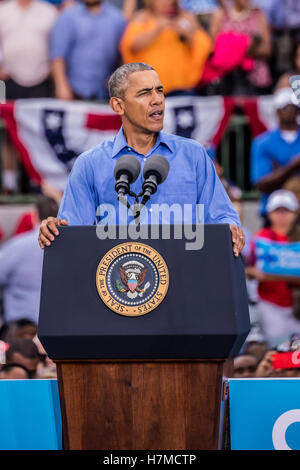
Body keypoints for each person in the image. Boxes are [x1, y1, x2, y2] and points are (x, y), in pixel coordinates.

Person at [38, 62, 245, 256]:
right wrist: (55, 229)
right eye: (145, 93)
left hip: (186, 278)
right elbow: (72, 232)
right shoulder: (90, 164)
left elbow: (222, 217)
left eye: (160, 90)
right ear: (118, 106)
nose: (157, 100)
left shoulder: (194, 155)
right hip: (118, 286)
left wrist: (231, 229)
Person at [0, 0, 58, 194]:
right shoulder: (3, 12)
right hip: (9, 82)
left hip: (41, 81)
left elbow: (57, 46)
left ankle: (38, 183)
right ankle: (9, 184)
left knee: (39, 134)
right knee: (8, 132)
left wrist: (51, 70)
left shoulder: (49, 12)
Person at [120, 0, 212, 95]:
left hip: (181, 88)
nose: (166, 2)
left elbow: (204, 45)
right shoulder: (142, 18)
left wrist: (189, 36)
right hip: (149, 89)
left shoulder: (185, 17)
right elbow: (131, 46)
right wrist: (157, 30)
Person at [246, 189, 300, 347]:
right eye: (278, 210)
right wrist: (253, 272)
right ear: (269, 213)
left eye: (287, 210)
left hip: (296, 305)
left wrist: (270, 275)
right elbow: (245, 268)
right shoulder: (259, 238)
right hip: (271, 305)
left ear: (295, 213)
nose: (282, 215)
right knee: (278, 349)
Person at [50, 0, 126, 100]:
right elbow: (58, 55)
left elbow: (123, 55)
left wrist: (116, 78)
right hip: (73, 91)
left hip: (106, 94)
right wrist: (61, 86)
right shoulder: (68, 17)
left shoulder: (118, 19)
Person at [0, 196, 58, 324]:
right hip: (58, 324)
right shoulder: (69, 247)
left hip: (21, 327)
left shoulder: (17, 246)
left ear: (34, 216)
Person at [251, 87, 300, 222]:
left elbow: (272, 179)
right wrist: (294, 166)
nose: (291, 111)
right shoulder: (263, 142)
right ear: (277, 111)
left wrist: (280, 172)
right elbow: (262, 184)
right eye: (286, 108)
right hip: (273, 213)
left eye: (294, 108)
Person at [208, 0, 272, 95]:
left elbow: (267, 49)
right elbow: (212, 48)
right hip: (227, 77)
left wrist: (242, 49)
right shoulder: (221, 14)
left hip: (254, 77)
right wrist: (240, 46)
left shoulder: (258, 15)